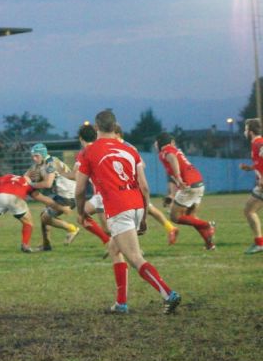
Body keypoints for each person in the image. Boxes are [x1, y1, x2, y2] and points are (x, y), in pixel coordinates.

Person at [76, 110, 181, 315]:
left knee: (134, 257)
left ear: (96, 128)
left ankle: (168, 294)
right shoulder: (129, 149)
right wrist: (142, 216)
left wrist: (80, 212)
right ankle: (121, 303)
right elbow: (144, 186)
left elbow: (79, 189)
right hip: (136, 203)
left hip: (118, 206)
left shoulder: (89, 151)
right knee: (115, 249)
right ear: (114, 127)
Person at [113, 124, 179, 246]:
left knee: (126, 215)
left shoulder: (125, 146)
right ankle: (170, 228)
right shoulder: (121, 146)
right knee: (149, 210)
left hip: (131, 186)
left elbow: (141, 164)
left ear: (117, 134)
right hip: (128, 186)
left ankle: (123, 247)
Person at [0, 174, 54, 254]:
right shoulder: (28, 184)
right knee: (28, 223)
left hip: (0, 197)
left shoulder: (7, 176)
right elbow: (41, 198)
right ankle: (25, 244)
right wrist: (56, 205)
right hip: (15, 199)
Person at [155, 132, 216, 250]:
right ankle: (209, 244)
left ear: (159, 143)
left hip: (189, 184)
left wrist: (178, 178)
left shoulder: (165, 151)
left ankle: (208, 225)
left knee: (174, 217)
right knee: (191, 217)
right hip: (198, 183)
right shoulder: (174, 150)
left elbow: (172, 159)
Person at [25, 143, 81, 251]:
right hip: (63, 193)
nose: (34, 158)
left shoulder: (50, 164)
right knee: (44, 215)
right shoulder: (42, 163)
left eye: (36, 156)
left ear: (43, 154)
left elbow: (48, 184)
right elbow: (26, 175)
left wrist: (31, 184)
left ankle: (72, 229)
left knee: (45, 217)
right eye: (32, 156)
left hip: (68, 194)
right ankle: (46, 245)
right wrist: (28, 178)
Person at [239, 118, 263, 254]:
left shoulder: (258, 143)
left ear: (251, 131)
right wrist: (250, 168)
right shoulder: (257, 143)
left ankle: (260, 243)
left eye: (246, 129)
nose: (245, 132)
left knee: (249, 210)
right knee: (249, 210)